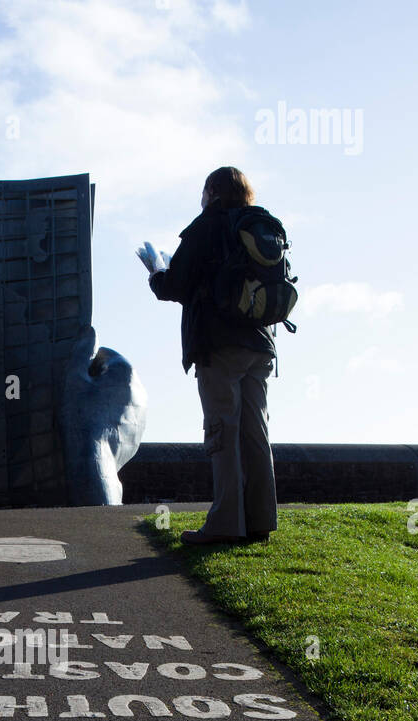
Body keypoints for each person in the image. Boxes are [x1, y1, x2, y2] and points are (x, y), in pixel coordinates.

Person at [145, 166, 278, 544]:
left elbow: (176, 284)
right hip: (260, 344)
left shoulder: (207, 226)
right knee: (256, 434)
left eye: (204, 192)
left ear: (212, 192)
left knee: (222, 432)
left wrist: (156, 273)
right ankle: (259, 522)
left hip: (219, 346)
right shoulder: (257, 227)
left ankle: (224, 525)